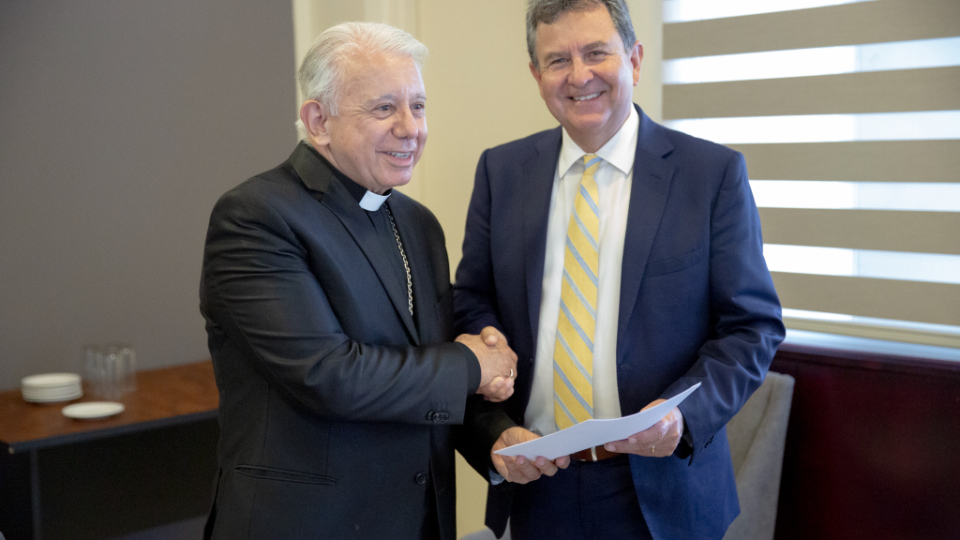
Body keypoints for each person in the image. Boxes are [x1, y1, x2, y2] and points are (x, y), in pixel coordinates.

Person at [453, 1, 786, 539]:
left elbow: (752, 328)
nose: (579, 75)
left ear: (634, 60)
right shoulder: (502, 171)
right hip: (538, 481)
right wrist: (494, 417)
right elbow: (471, 301)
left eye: (596, 53)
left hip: (666, 488)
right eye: (558, 60)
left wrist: (681, 417)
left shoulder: (710, 175)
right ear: (536, 76)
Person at [199, 22, 517, 540]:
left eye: (418, 106)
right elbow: (328, 374)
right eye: (384, 108)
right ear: (318, 121)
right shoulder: (256, 217)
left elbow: (427, 369)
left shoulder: (418, 224)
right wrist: (472, 365)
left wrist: (494, 437)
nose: (410, 128)